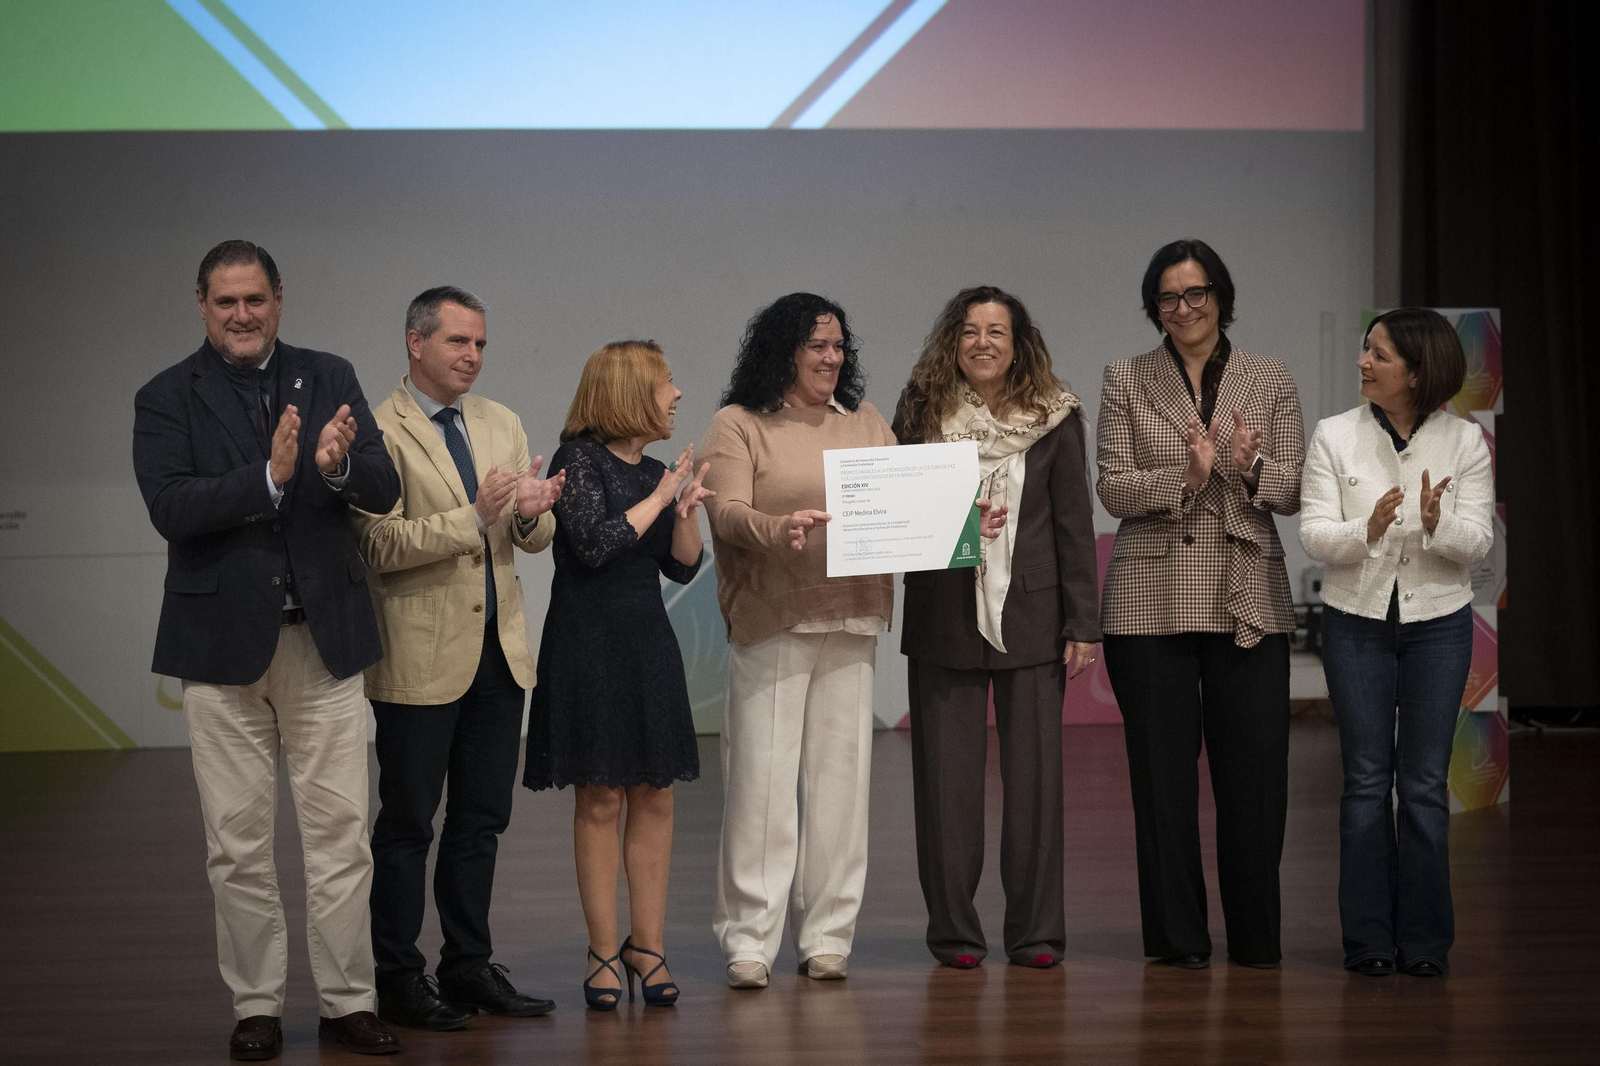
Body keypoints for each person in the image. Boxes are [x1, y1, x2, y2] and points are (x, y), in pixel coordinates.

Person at [132, 240, 402, 1059]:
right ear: (203, 305)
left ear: (279, 299)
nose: (242, 315)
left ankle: (349, 1001)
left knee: (341, 839)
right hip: (221, 652)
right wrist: (273, 477)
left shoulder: (329, 374)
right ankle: (256, 1004)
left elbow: (384, 488)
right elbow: (171, 507)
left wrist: (340, 463)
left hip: (323, 646)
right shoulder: (165, 396)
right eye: (226, 303)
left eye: (255, 299)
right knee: (237, 845)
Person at [703, 292, 1005, 989]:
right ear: (783, 351)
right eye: (816, 346)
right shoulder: (738, 424)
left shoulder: (864, 422)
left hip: (853, 616)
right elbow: (727, 513)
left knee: (841, 788)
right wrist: (778, 531)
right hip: (772, 617)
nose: (832, 358)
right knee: (763, 788)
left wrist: (965, 524)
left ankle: (828, 937)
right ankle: (750, 940)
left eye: (839, 346)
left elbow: (910, 508)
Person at [352, 287, 563, 1030]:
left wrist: (535, 511)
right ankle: (396, 975)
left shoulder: (500, 421)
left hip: (500, 658)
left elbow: (529, 541)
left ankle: (467, 966)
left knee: (481, 823)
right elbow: (377, 546)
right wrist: (472, 516)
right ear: (416, 344)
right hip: (419, 659)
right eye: (457, 343)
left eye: (480, 344)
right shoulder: (379, 429)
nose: (472, 356)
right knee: (408, 825)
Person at [1095, 238, 1305, 970]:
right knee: (1162, 783)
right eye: (1168, 298)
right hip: (1149, 601)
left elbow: (1296, 489)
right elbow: (1114, 487)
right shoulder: (1125, 377)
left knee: (1255, 781)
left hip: (1247, 594)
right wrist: (1182, 478)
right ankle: (1177, 941)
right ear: (1153, 308)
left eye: (1197, 293)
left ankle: (1255, 940)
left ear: (1222, 295)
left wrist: (1248, 467)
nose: (1184, 309)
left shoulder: (1269, 377)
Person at [892, 285, 1101, 969]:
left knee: (1035, 790)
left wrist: (1084, 624)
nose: (983, 342)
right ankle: (954, 934)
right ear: (953, 342)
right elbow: (899, 516)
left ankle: (1036, 933)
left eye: (997, 332)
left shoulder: (1057, 417)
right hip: (943, 619)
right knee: (946, 793)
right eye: (970, 331)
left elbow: (1073, 523)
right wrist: (958, 526)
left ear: (1019, 344)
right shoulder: (922, 410)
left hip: (1035, 619)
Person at [1300, 308, 1493, 978]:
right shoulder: (1333, 435)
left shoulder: (1463, 442)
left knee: (1423, 784)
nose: (1363, 362)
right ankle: (1369, 942)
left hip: (1439, 621)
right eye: (1364, 349)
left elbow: (1480, 544)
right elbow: (1316, 534)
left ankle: (1426, 943)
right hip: (1356, 621)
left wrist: (1437, 524)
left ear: (1416, 369)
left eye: (1378, 354)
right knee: (1364, 782)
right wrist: (1370, 528)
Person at [523, 340, 711, 1010]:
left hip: (646, 646)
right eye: (666, 382)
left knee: (655, 794)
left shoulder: (657, 472)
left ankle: (647, 945)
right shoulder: (579, 457)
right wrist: (661, 497)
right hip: (587, 647)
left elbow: (683, 568)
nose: (678, 393)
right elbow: (596, 545)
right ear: (631, 391)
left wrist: (684, 513)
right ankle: (603, 949)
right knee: (600, 797)